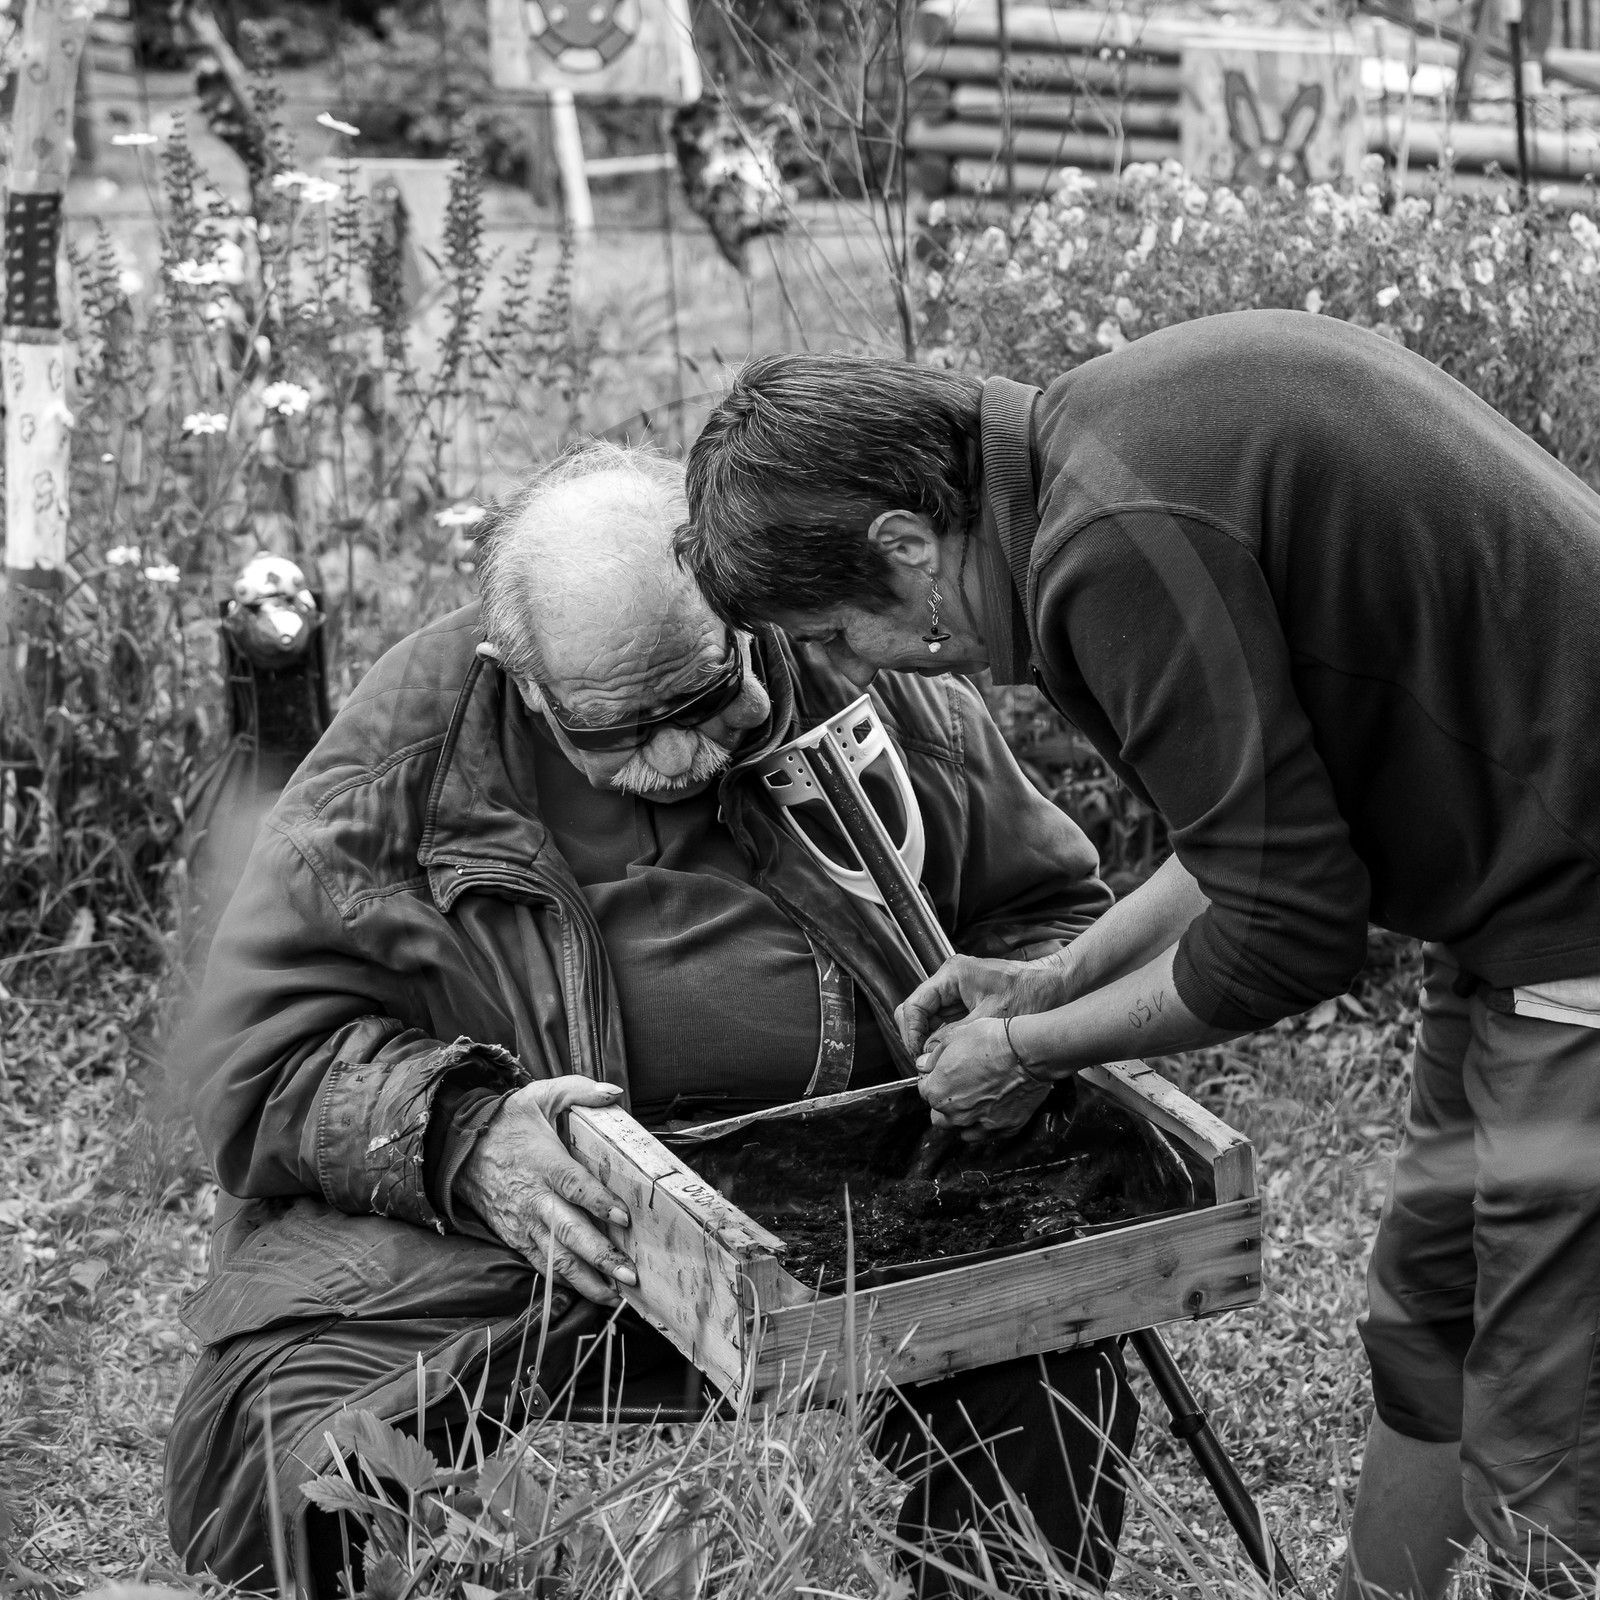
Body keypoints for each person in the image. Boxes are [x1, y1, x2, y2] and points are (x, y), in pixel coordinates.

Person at [674, 313, 1600, 1599]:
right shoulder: (1094, 449)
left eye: (832, 633)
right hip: (1516, 914)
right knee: (1428, 1322)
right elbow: (1254, 841)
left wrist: (1031, 1049)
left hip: (1577, 941)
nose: (845, 672)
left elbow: (1289, 936)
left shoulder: (1106, 544)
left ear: (904, 547)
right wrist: (1048, 981)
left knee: (1548, 1409)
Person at [166, 442, 1138, 1598]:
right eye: (619, 732)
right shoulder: (402, 757)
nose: (680, 758)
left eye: (703, 698)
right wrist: (462, 1137)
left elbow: (1049, 913)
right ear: (521, 683)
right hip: (528, 1210)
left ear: (735, 602)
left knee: (1046, 1330)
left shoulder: (862, 673)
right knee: (289, 1430)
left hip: (855, 1181)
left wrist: (1016, 1035)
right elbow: (252, 1054)